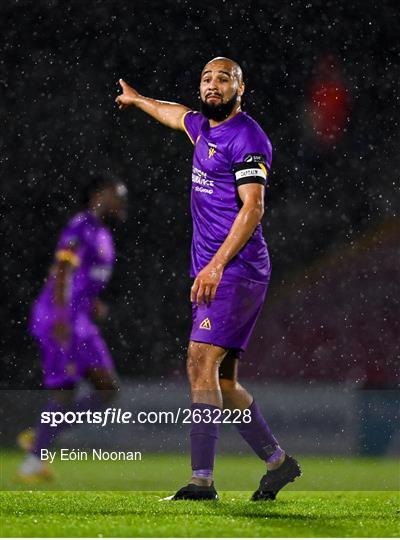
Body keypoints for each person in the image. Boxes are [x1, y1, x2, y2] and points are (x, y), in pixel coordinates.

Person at [116, 57, 301, 500]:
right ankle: (279, 463)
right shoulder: (203, 128)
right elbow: (174, 113)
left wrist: (216, 265)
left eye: (224, 78)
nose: (213, 84)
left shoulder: (248, 137)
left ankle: (202, 481)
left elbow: (253, 207)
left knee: (199, 360)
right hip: (216, 271)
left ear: (242, 87)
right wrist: (140, 100)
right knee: (223, 381)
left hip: (236, 270)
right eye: (206, 78)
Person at [17, 174, 128, 481]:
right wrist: (62, 317)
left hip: (80, 321)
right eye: (116, 194)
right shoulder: (81, 225)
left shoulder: (104, 235)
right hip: (60, 319)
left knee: (108, 389)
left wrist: (91, 302)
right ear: (98, 195)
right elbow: (63, 269)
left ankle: (42, 433)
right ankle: (32, 462)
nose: (120, 201)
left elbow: (83, 277)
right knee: (65, 390)